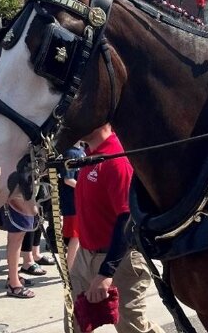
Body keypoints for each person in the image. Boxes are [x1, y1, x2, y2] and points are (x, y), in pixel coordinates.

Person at [69, 124, 164, 333]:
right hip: (85, 256)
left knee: (131, 327)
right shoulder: (90, 156)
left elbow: (127, 218)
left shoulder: (116, 159)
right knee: (76, 321)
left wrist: (106, 272)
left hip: (119, 260)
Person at [3, 203, 39, 299]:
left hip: (20, 199)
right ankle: (14, 284)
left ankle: (13, 277)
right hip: (18, 198)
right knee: (16, 236)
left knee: (17, 237)